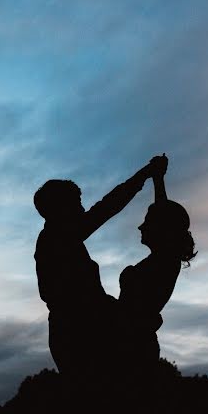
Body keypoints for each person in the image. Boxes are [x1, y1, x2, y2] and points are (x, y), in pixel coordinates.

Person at [33, 156, 167, 382]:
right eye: (76, 203)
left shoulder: (60, 240)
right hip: (79, 337)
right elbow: (107, 207)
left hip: (79, 333)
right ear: (60, 208)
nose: (82, 208)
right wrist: (144, 175)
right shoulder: (58, 238)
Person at [113, 156, 196, 373]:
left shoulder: (165, 261)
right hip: (130, 346)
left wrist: (158, 179)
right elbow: (163, 212)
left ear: (163, 229)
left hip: (135, 350)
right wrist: (157, 179)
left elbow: (163, 211)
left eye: (147, 222)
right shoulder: (163, 260)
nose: (140, 227)